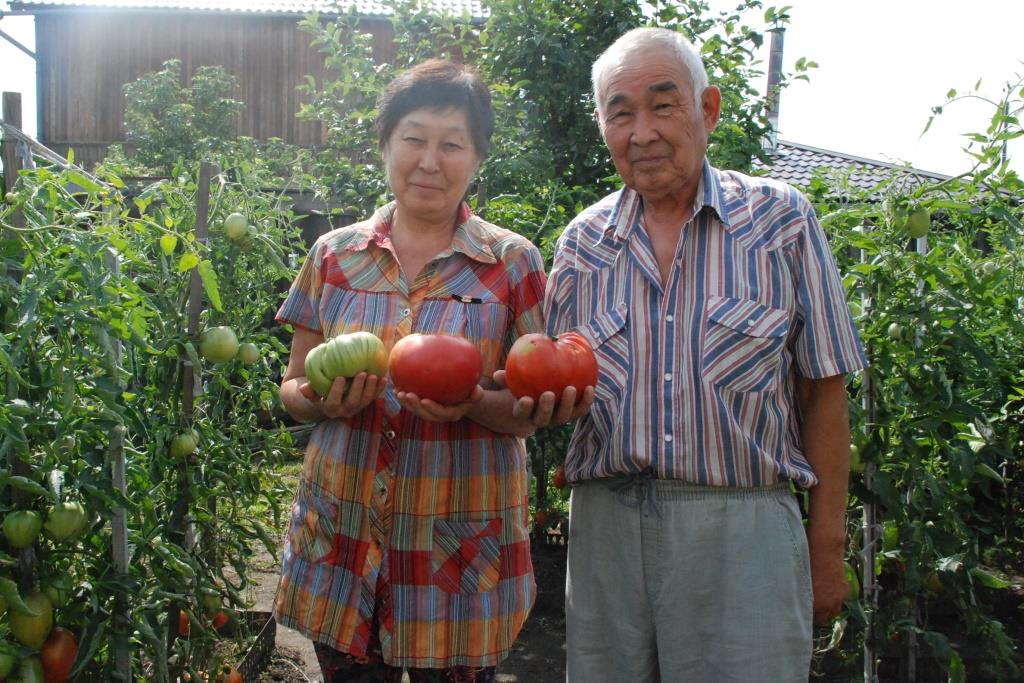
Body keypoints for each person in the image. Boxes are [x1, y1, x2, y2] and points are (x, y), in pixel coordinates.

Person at [522, 27, 869, 682]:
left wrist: (827, 547)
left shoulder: (781, 222)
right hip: (607, 531)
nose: (642, 131)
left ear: (706, 110)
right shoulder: (581, 245)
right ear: (601, 125)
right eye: (620, 112)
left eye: (663, 104)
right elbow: (557, 392)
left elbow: (824, 392)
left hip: (742, 531)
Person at [274, 59, 547, 683]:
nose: (430, 160)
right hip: (343, 546)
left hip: (456, 553)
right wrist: (325, 402)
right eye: (414, 138)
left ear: (478, 158)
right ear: (385, 145)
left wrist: (472, 400)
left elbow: (531, 408)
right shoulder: (334, 255)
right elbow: (291, 388)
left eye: (452, 144)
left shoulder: (511, 263)